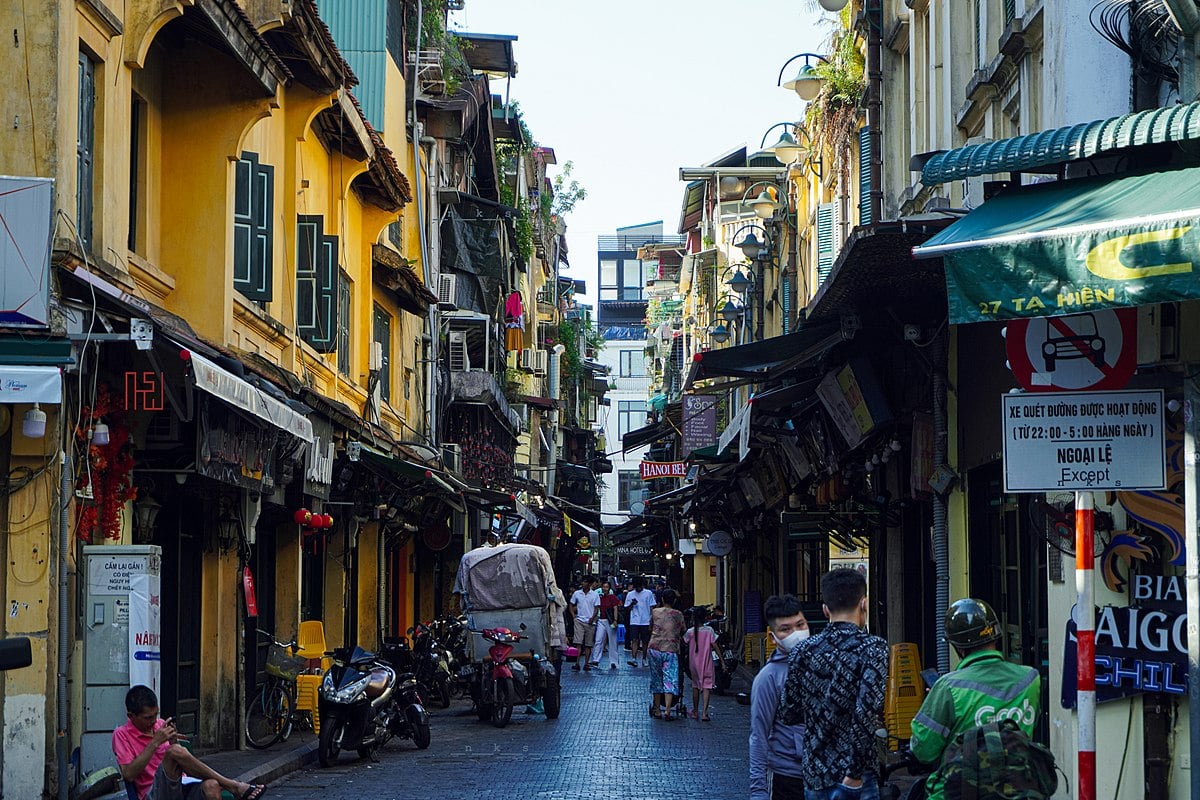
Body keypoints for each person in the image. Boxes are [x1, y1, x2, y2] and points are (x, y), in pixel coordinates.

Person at [909, 598, 1042, 800]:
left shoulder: (948, 687)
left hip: (958, 791)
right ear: (996, 636)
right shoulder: (1031, 679)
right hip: (1019, 789)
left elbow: (924, 751)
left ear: (958, 647)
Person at [778, 568, 889, 800]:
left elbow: (788, 712)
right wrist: (854, 774)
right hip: (858, 776)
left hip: (816, 773)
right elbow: (866, 713)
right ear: (864, 604)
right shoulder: (873, 649)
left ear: (825, 609)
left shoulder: (803, 650)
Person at [113, 685, 267, 800]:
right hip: (153, 792)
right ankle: (233, 785)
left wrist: (173, 741)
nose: (153, 721)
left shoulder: (160, 724)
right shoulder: (121, 734)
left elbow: (177, 759)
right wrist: (155, 743)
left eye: (155, 715)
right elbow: (128, 775)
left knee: (211, 786)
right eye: (147, 718)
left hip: (181, 784)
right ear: (131, 715)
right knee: (174, 752)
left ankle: (231, 785)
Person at [749, 594, 810, 800]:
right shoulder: (768, 678)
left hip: (825, 779)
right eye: (786, 629)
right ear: (773, 637)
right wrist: (758, 791)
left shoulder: (823, 665)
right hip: (788, 778)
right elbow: (758, 735)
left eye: (800, 625)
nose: (797, 633)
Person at [647, 588, 685, 720]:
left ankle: (657, 709)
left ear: (662, 599)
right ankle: (668, 710)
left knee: (656, 678)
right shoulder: (678, 614)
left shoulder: (655, 612)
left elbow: (650, 627)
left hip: (654, 648)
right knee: (670, 679)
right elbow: (682, 630)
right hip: (671, 649)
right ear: (674, 600)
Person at [683, 605, 722, 721]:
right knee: (707, 687)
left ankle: (695, 711)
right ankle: (705, 713)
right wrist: (722, 661)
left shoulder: (690, 632)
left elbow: (684, 642)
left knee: (696, 686)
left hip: (694, 665)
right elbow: (715, 646)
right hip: (707, 664)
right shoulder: (709, 631)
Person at [624, 575, 657, 667]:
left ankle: (644, 658)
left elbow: (652, 607)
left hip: (646, 620)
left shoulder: (648, 593)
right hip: (634, 620)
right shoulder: (630, 594)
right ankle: (634, 658)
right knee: (634, 639)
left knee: (645, 641)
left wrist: (651, 619)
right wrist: (632, 604)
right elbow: (626, 608)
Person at [569, 575, 600, 671]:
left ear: (590, 584)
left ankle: (586, 663)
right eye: (583, 582)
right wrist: (574, 616)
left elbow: (596, 608)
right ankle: (577, 663)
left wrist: (592, 617)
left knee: (588, 644)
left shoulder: (595, 595)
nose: (583, 584)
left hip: (590, 621)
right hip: (579, 620)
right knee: (578, 643)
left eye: (585, 582)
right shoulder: (577, 593)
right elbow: (571, 604)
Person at [590, 578, 622, 670]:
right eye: (604, 587)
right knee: (598, 640)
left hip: (610, 621)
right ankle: (595, 660)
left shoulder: (612, 597)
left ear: (609, 588)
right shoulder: (600, 597)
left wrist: (615, 620)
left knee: (612, 641)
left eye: (607, 587)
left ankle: (614, 661)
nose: (605, 588)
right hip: (601, 620)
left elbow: (615, 608)